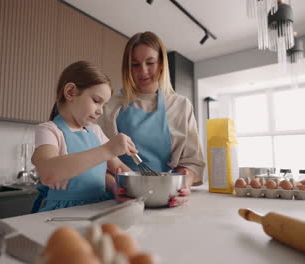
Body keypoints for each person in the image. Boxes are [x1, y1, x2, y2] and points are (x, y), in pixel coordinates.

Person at [98, 31, 206, 207]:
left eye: (150, 63)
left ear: (162, 63)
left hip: (165, 197)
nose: (143, 71)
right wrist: (113, 185)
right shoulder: (110, 103)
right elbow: (97, 157)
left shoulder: (180, 106)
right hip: (117, 201)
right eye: (135, 64)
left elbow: (190, 162)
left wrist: (182, 186)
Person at [31, 61, 137, 213]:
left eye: (104, 105)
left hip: (100, 207)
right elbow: (48, 173)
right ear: (70, 92)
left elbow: (120, 169)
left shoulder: (95, 131)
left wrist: (140, 183)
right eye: (96, 101)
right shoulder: (49, 131)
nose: (100, 111)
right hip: (63, 213)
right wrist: (108, 149)